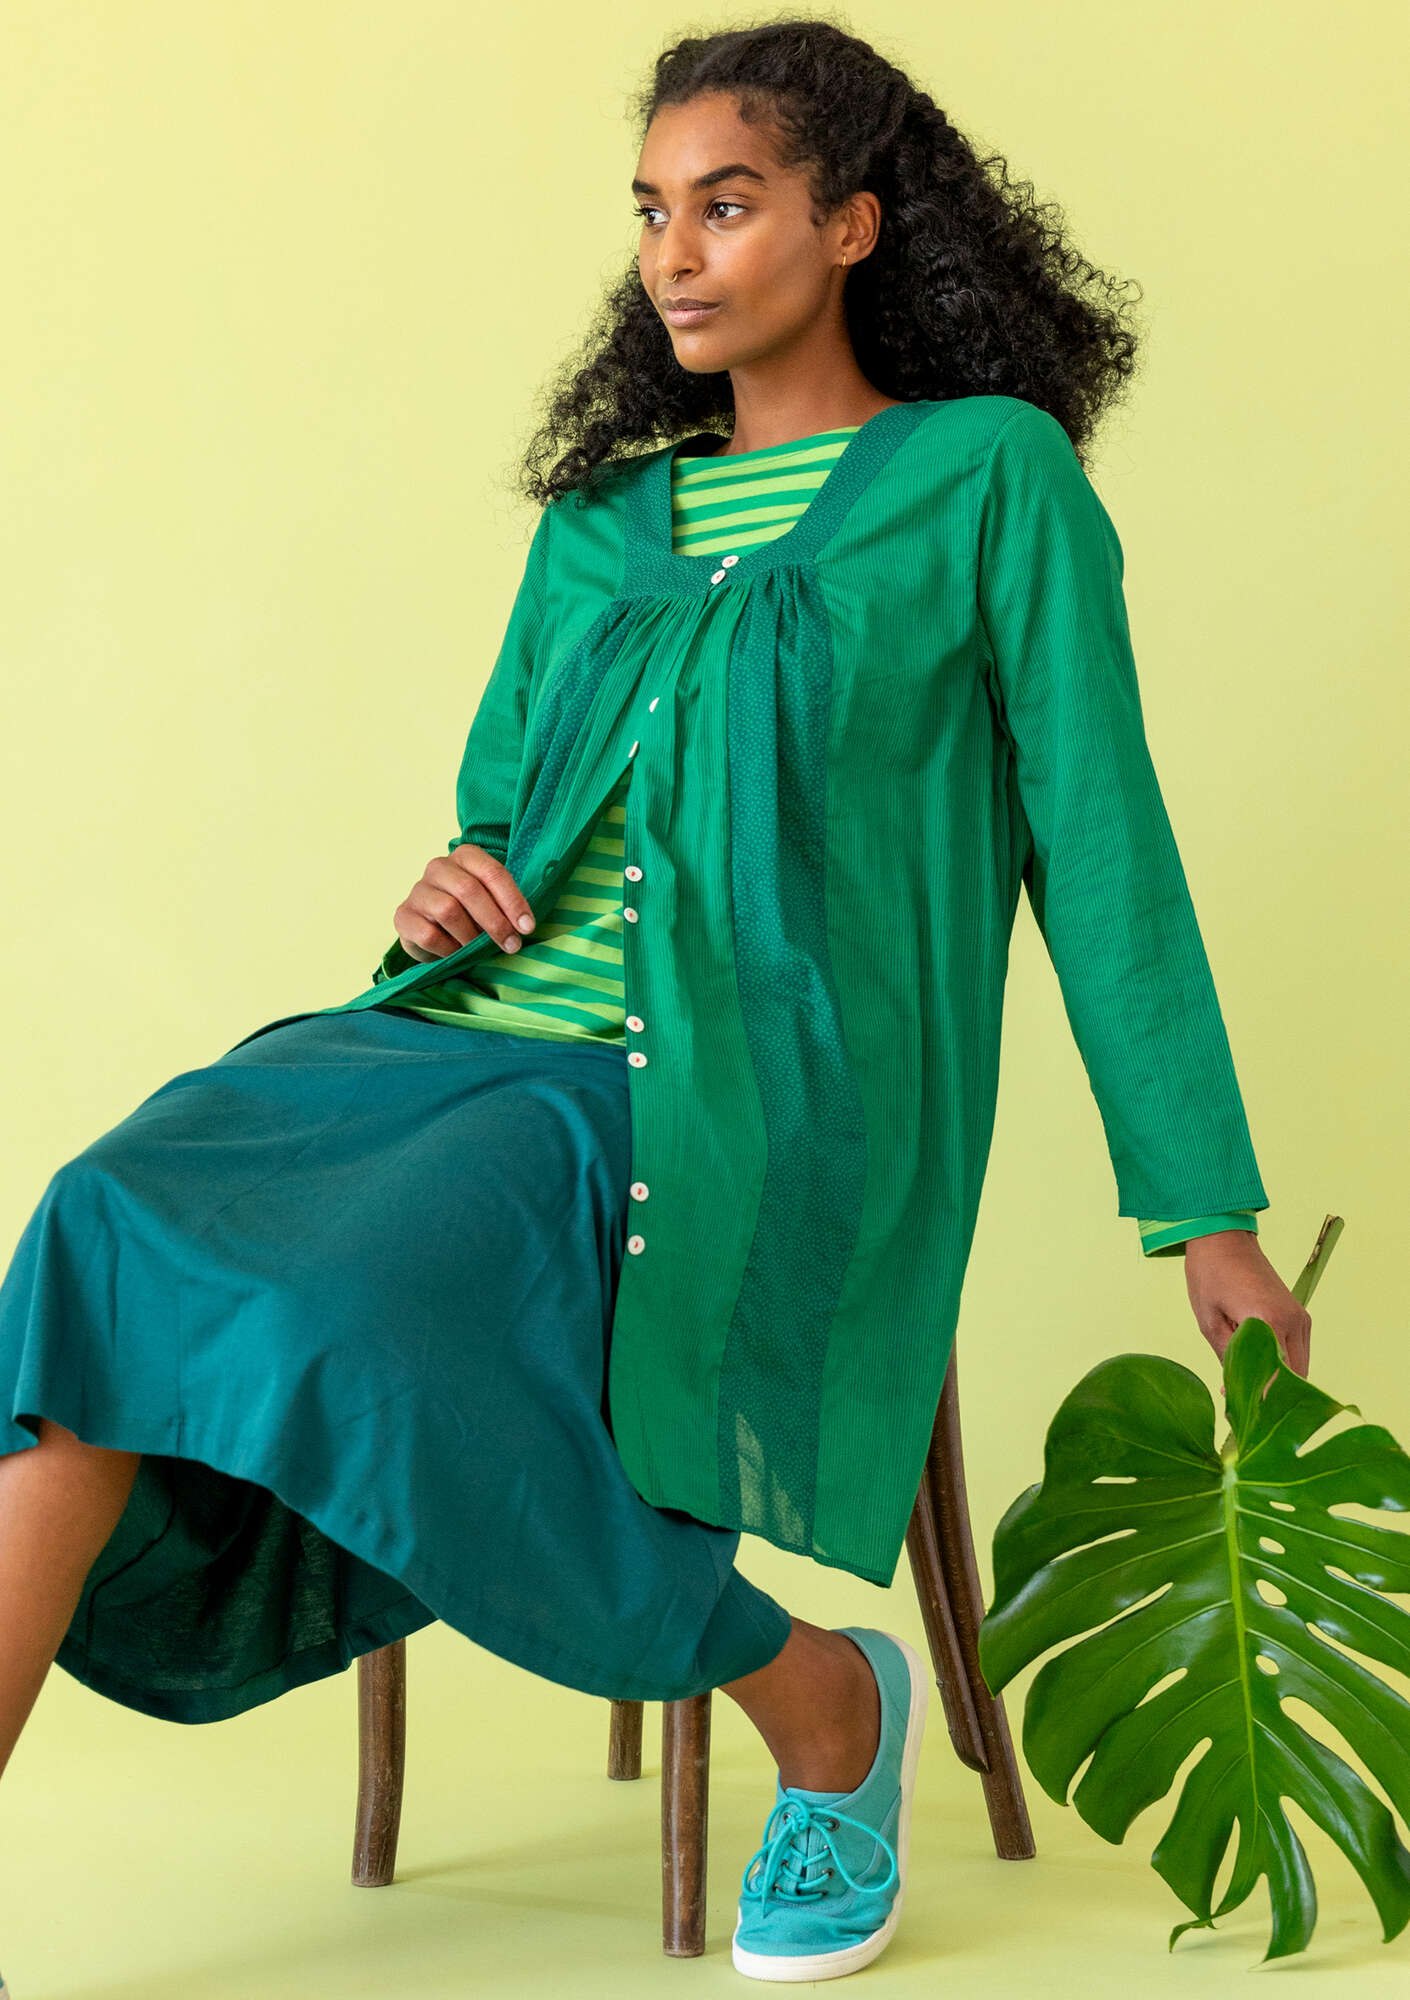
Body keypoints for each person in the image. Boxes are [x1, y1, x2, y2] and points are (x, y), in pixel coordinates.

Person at [0, 15, 1313, 1990]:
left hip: (747, 1087)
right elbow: (505, 811)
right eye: (650, 213)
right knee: (101, 1219)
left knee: (366, 1299)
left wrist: (1202, 1209)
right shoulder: (599, 524)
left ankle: (822, 1712)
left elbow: (1103, 851)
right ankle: (812, 1687)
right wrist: (457, 874)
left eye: (728, 205)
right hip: (457, 1040)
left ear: (852, 224)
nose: (675, 256)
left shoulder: (987, 479)